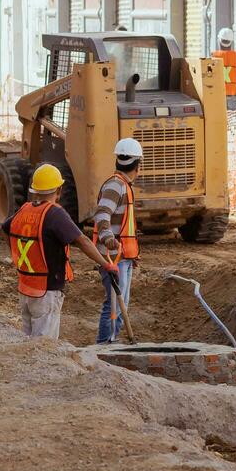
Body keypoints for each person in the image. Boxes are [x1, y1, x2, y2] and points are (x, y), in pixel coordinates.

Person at [4, 164, 117, 339]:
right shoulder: (54, 214)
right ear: (59, 190)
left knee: (27, 344)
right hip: (46, 291)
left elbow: (7, 229)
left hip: (26, 288)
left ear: (35, 190)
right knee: (44, 347)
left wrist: (17, 258)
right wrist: (106, 264)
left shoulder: (24, 210)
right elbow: (82, 241)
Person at [93, 139, 142, 343]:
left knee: (121, 303)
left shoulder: (124, 185)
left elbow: (125, 226)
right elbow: (102, 214)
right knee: (113, 305)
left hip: (124, 257)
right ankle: (105, 346)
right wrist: (108, 239)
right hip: (113, 257)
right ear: (138, 165)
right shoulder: (116, 185)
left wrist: (132, 255)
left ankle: (112, 341)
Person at [210, 28, 236, 111]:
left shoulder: (213, 56)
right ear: (231, 42)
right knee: (233, 121)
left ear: (219, 40)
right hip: (232, 95)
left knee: (219, 121)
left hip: (217, 95)